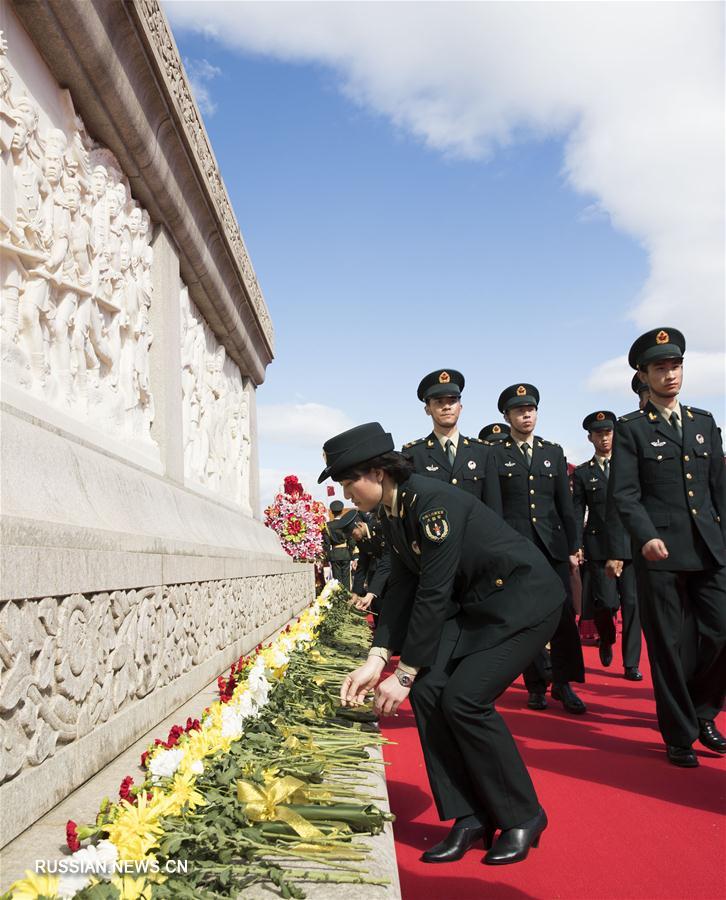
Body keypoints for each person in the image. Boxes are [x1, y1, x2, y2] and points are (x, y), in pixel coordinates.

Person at [321, 423, 563, 866]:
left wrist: (405, 673)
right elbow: (400, 588)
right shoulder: (392, 513)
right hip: (477, 604)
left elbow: (433, 591)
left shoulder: (432, 504)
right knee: (432, 693)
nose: (346, 493)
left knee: (466, 700)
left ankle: (523, 816)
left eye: (347, 481)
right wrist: (378, 659)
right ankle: (469, 816)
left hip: (523, 601)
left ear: (377, 472)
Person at [609, 328, 726, 767]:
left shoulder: (703, 422)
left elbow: (718, 488)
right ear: (644, 374)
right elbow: (624, 493)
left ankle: (703, 711)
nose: (670, 374)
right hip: (660, 554)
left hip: (710, 549)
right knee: (671, 645)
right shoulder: (632, 430)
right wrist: (645, 535)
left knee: (720, 630)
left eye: (675, 366)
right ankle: (679, 733)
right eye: (660, 368)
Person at [491, 384, 586, 714]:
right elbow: (495, 507)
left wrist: (574, 547)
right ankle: (535, 685)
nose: (526, 414)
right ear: (507, 416)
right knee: (525, 618)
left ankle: (564, 683)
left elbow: (566, 505)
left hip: (554, 546)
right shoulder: (495, 454)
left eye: (530, 408)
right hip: (517, 549)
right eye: (519, 410)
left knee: (562, 618)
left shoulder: (552, 452)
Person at [572, 411, 642, 680]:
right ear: (590, 438)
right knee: (606, 602)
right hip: (599, 547)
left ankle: (631, 664)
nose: (604, 438)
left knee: (633, 604)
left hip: (630, 544)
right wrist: (576, 544)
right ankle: (606, 637)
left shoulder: (631, 468)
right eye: (599, 433)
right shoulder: (583, 473)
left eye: (608, 432)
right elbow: (578, 511)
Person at [402, 369, 502, 514]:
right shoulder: (414, 454)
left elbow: (494, 508)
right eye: (439, 402)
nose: (447, 406)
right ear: (427, 409)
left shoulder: (483, 452)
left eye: (452, 401)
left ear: (460, 407)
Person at [349, 510, 390, 614]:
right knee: (376, 605)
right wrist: (356, 593)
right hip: (376, 571)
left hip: (392, 572)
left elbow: (387, 560)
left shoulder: (381, 528)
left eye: (354, 534)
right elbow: (362, 564)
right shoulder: (361, 539)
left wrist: (372, 592)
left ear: (360, 525)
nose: (354, 538)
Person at [322, 500, 356, 590]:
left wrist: (328, 556)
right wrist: (351, 553)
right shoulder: (346, 524)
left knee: (336, 580)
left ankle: (339, 599)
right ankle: (347, 599)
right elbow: (351, 541)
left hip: (334, 554)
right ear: (342, 511)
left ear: (332, 512)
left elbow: (326, 544)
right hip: (345, 553)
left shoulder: (327, 526)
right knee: (346, 579)